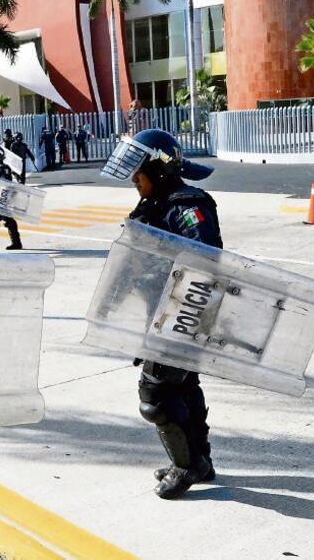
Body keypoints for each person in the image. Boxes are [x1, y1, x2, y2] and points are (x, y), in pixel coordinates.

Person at [100, 128, 221, 500]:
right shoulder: (153, 205)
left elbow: (205, 258)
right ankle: (198, 460)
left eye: (140, 175)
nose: (135, 182)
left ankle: (185, 467)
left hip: (182, 313)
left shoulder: (186, 204)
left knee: (155, 396)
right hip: (162, 314)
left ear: (160, 171)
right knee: (183, 386)